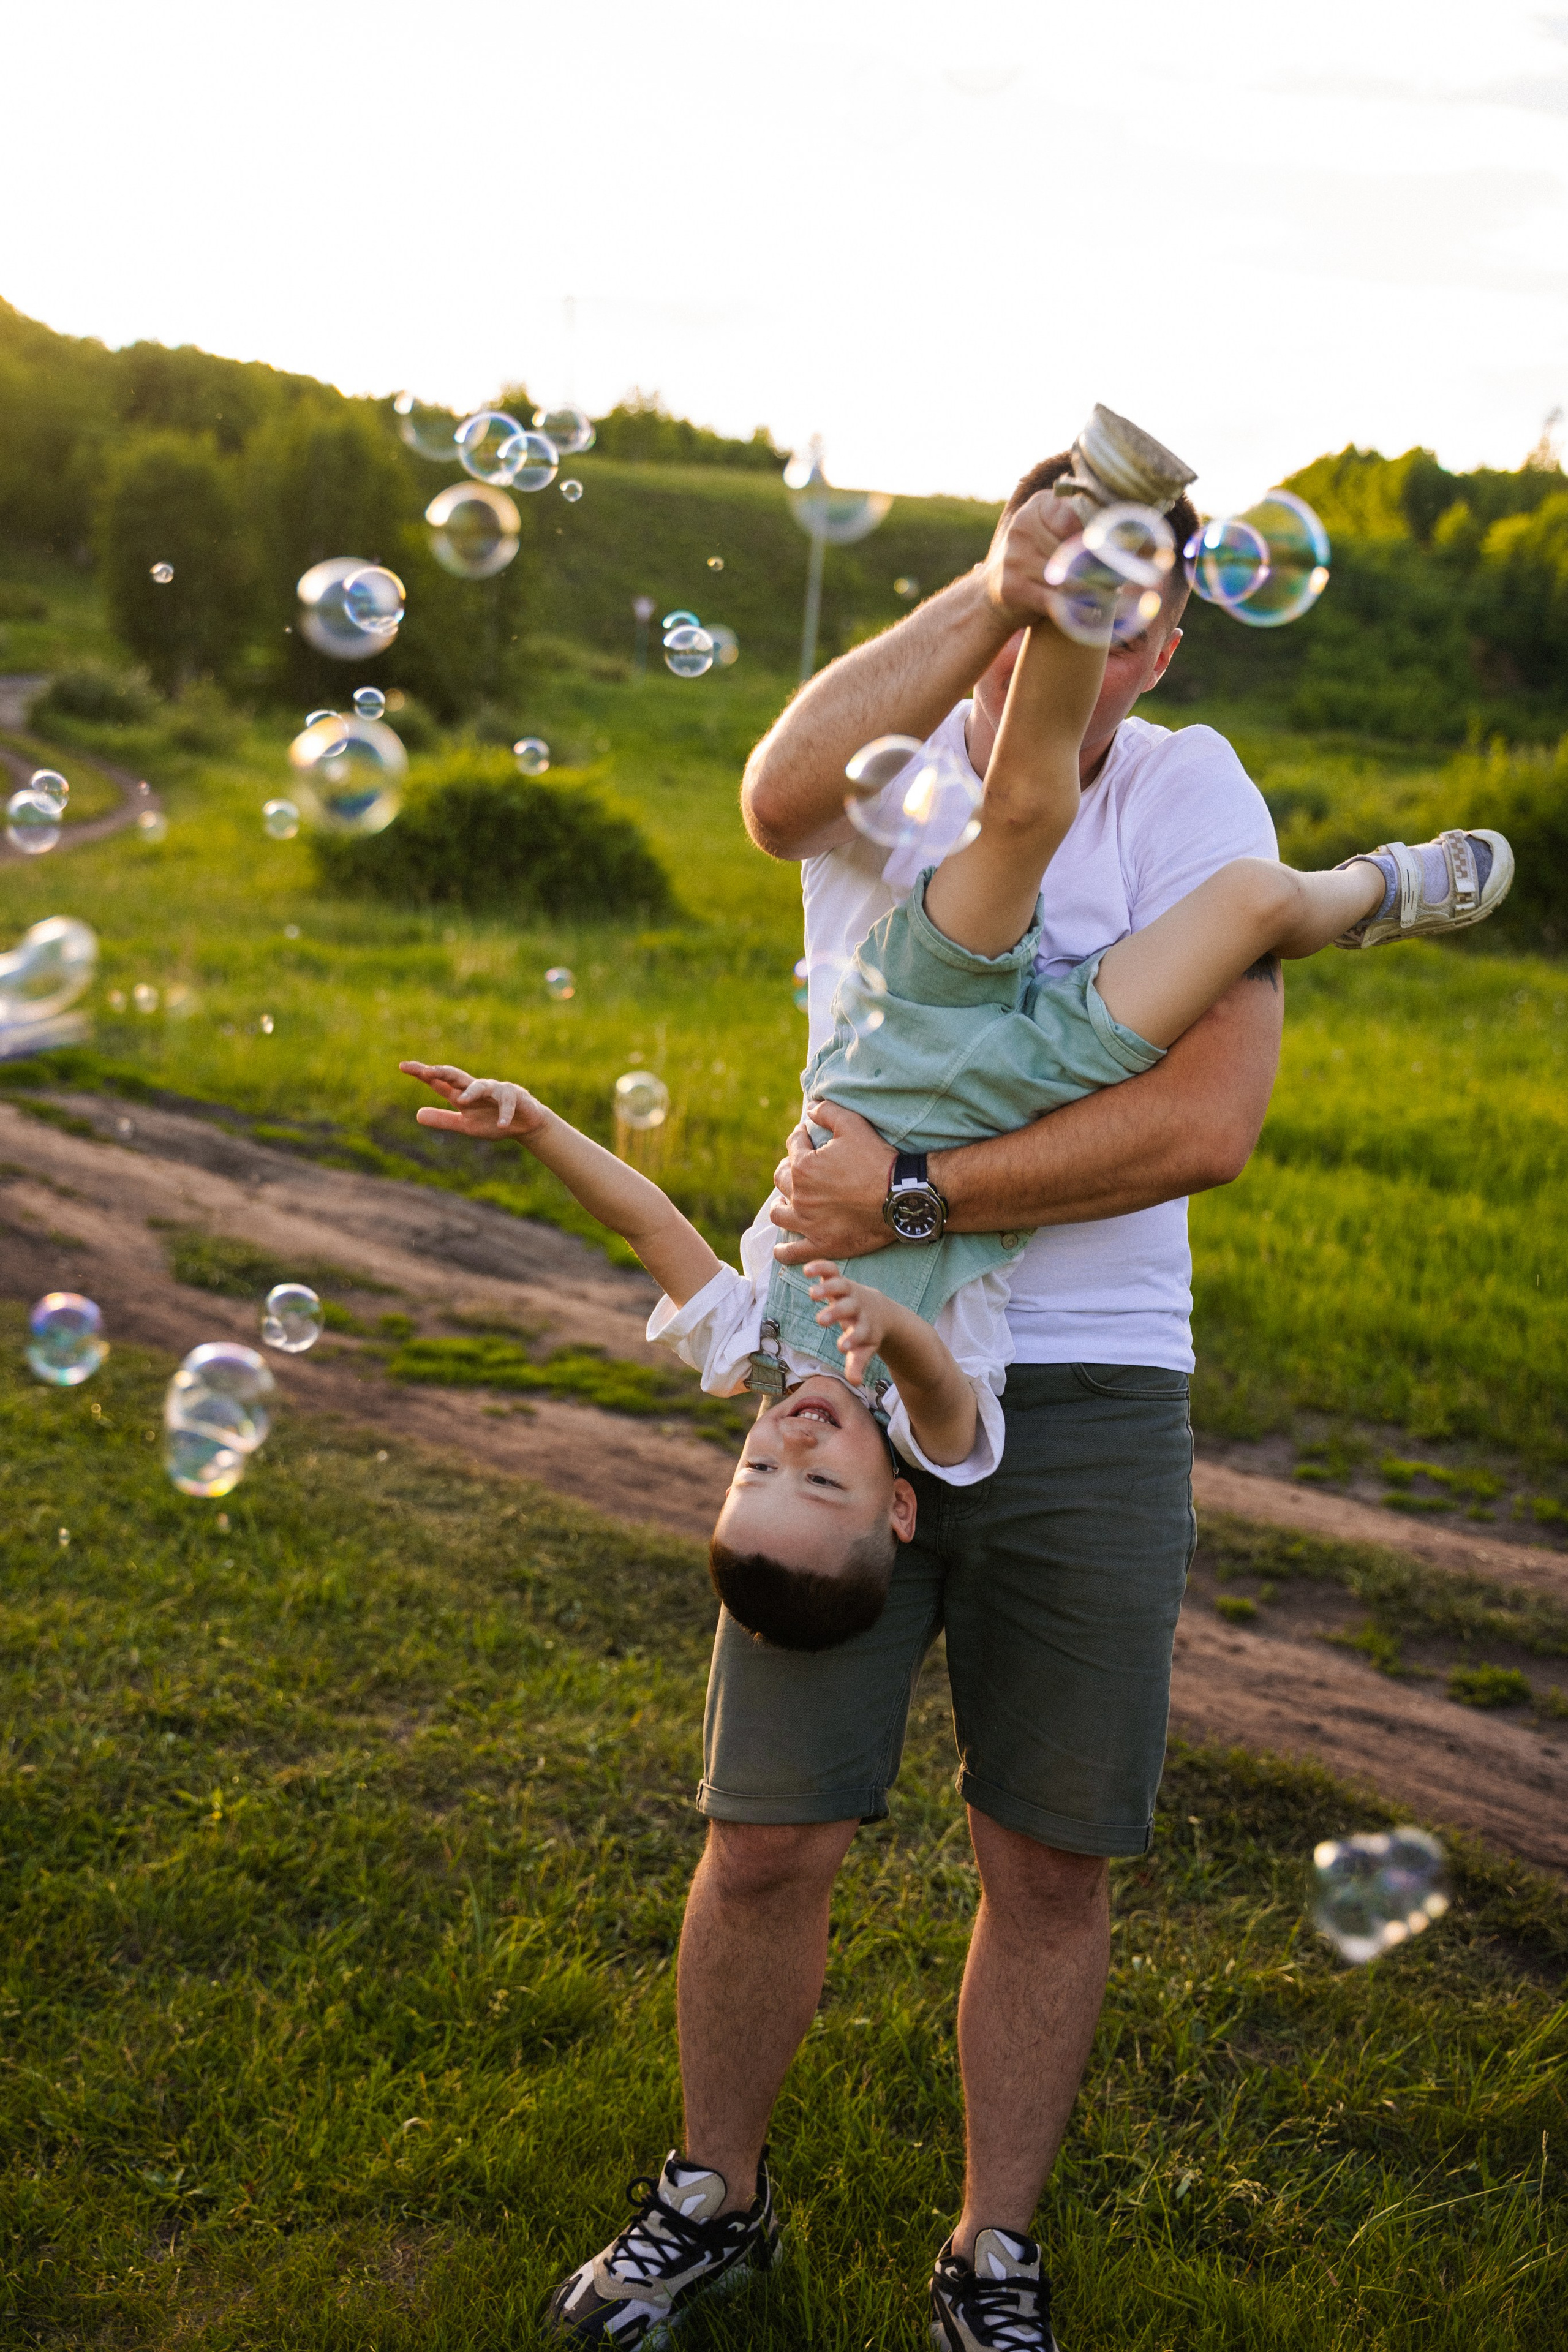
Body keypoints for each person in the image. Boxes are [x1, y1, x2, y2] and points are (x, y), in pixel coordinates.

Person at [515, 409, 1498, 2352]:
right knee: (772, 1831)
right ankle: (711, 2198)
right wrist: (997, 580)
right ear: (1009, 584)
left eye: (1126, 594)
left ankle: (994, 2257)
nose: (1089, 628)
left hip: (1102, 1380)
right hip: (852, 1402)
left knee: (1053, 1851)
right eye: (1059, 577)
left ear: (1172, 637)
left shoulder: (1198, 786)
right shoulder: (904, 766)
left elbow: (1207, 1124)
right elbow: (776, 793)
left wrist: (910, 1197)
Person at [401, 588, 1508, 1659]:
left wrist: (539, 1125)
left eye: (757, 1473)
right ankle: (1378, 891)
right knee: (1258, 904)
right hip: (1040, 1075)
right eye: (822, 1484)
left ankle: (1081, 574)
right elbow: (940, 1379)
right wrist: (891, 1331)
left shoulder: (750, 1349)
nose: (793, 1451)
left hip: (913, 1025)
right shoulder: (942, 1434)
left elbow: (650, 1229)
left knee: (1026, 809)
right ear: (896, 1512)